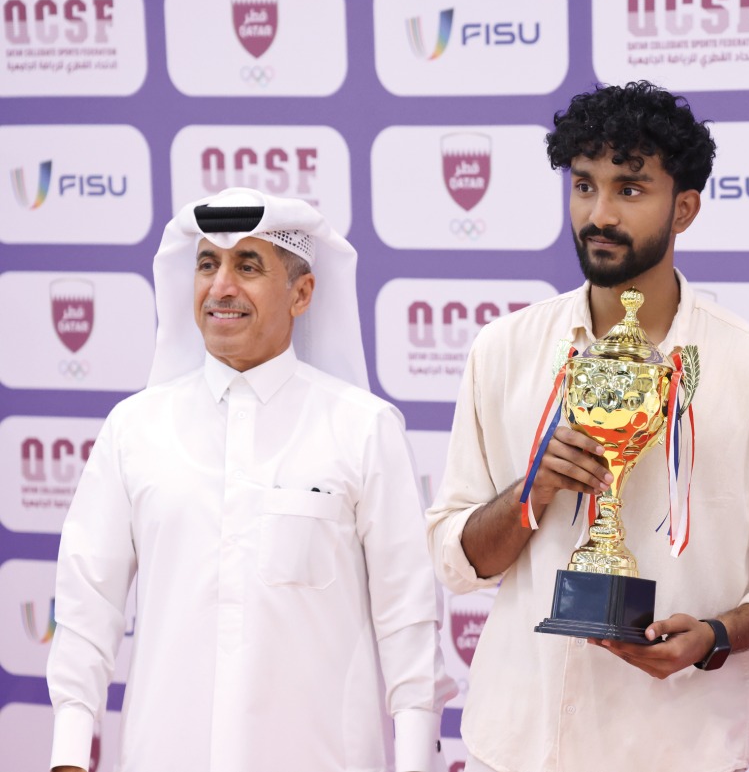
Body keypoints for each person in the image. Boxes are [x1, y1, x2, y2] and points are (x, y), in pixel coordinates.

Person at [425, 81, 749, 772]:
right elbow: (456, 557)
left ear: (684, 208)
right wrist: (530, 492)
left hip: (675, 750)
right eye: (584, 185)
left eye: (630, 190)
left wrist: (714, 635)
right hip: (513, 749)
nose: (599, 214)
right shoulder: (501, 351)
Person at [47, 188, 455, 772]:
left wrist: (415, 761)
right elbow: (88, 602)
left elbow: (408, 620)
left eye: (247, 265)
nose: (220, 287)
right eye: (207, 264)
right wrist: (67, 755)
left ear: (303, 293)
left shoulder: (363, 428)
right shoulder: (134, 428)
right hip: (165, 754)